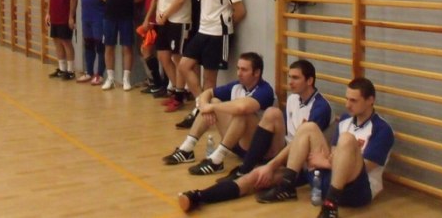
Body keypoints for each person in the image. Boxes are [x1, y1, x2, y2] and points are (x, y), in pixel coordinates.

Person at [206, 77, 394, 218]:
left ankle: (330, 207)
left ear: (370, 100)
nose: (347, 105)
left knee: (347, 139)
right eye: (347, 99)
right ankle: (286, 186)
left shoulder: (382, 129)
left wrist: (326, 163)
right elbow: (334, 153)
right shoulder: (345, 120)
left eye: (354, 101)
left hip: (358, 190)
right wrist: (272, 166)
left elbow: (366, 167)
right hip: (331, 181)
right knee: (307, 129)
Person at [176, 60, 332, 210]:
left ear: (309, 80)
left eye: (295, 78)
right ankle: (198, 194)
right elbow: (286, 134)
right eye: (289, 77)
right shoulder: (293, 99)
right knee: (271, 115)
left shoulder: (321, 107)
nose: (290, 82)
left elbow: (300, 142)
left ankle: (202, 195)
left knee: (253, 178)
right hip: (285, 153)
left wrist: (271, 166)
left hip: (302, 165)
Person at [162, 52, 275, 176]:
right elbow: (208, 93)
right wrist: (205, 106)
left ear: (257, 72)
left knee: (242, 113)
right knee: (213, 100)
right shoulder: (237, 86)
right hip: (236, 143)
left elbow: (243, 107)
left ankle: (217, 160)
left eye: (244, 70)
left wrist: (212, 107)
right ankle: (187, 149)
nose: (239, 73)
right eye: (238, 68)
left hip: (255, 148)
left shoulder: (265, 90)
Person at [175, 0, 246, 129]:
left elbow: (240, 10)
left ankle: (201, 114)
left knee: (209, 79)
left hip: (217, 35)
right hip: (202, 31)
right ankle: (202, 106)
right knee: (184, 66)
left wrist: (225, 26)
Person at [97, 0, 144, 91]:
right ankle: (110, 78)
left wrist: (126, 2)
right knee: (109, 46)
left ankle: (126, 79)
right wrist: (111, 1)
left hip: (127, 17)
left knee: (127, 47)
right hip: (109, 17)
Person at [155, 0, 194, 112]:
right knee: (163, 56)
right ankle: (176, 89)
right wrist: (158, 13)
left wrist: (165, 15)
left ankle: (179, 95)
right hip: (164, 20)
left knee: (178, 58)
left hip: (179, 21)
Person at [47, 0, 79, 80]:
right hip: (54, 15)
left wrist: (71, 16)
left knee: (66, 41)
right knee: (56, 40)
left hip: (65, 15)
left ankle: (70, 71)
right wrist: (48, 13)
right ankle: (62, 68)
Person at [139, 0, 166, 93]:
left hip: (155, 19)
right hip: (152, 18)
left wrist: (148, 19)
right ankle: (156, 82)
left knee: (147, 49)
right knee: (146, 49)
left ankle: (158, 83)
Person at [78, 0, 106, 85]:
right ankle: (88, 72)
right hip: (86, 17)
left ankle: (99, 74)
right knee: (88, 44)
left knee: (100, 45)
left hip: (98, 17)